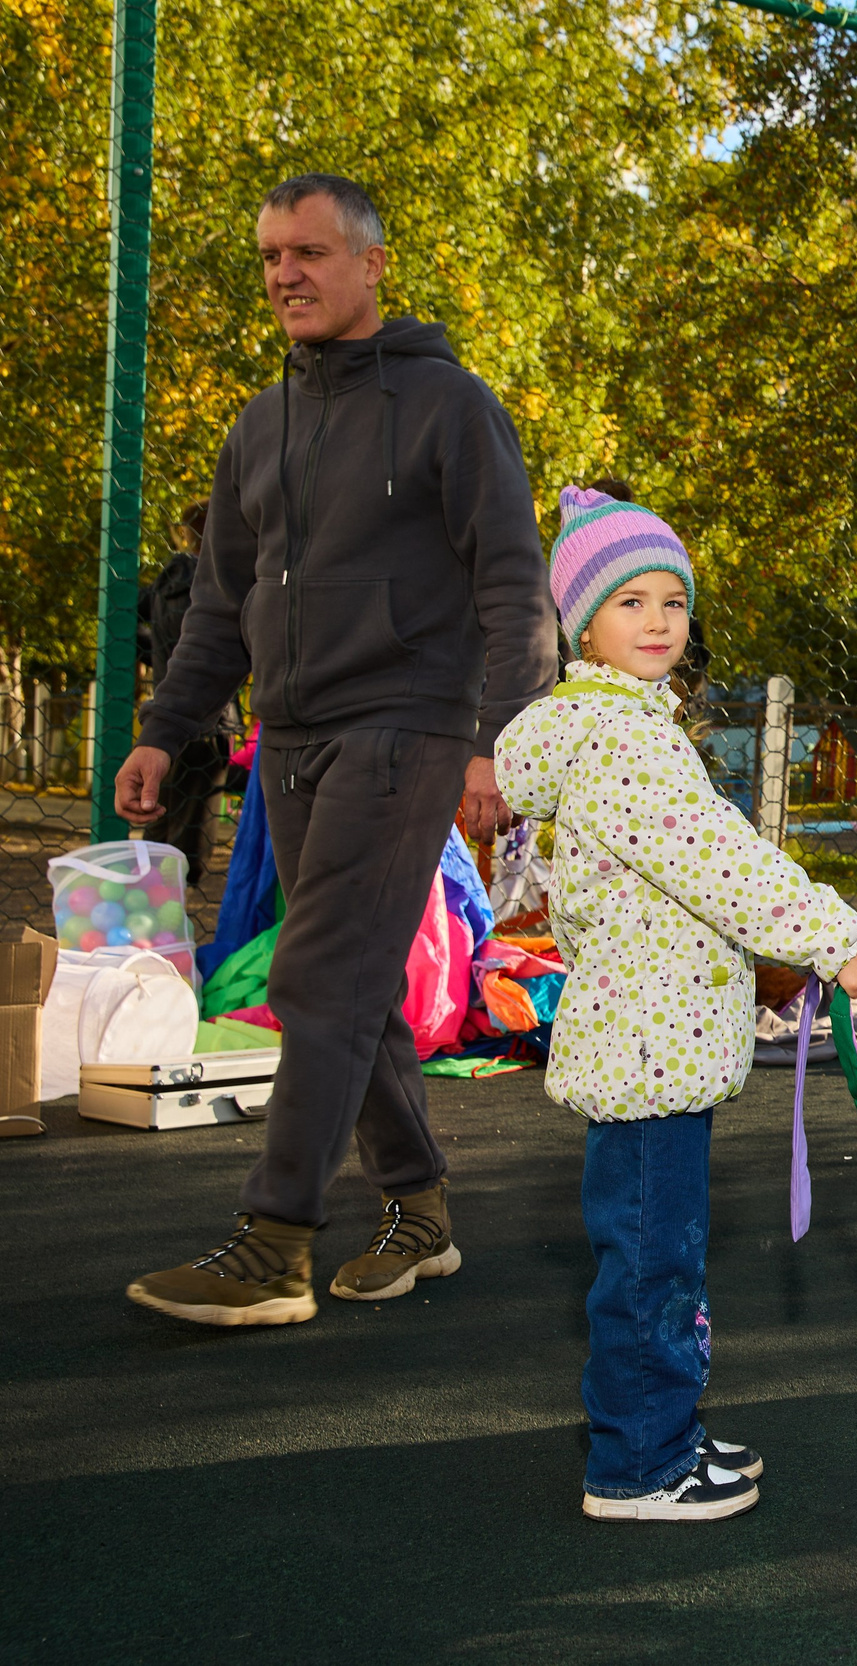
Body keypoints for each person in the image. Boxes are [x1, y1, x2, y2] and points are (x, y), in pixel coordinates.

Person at [118, 173, 555, 1326]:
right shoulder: (260, 425)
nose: (285, 273)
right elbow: (219, 603)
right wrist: (170, 732)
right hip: (295, 739)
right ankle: (419, 1209)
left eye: (310, 252)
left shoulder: (449, 405)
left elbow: (516, 586)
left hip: (410, 730)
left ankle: (274, 1240)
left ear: (371, 265)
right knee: (349, 984)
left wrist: (497, 745)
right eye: (270, 255)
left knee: (318, 972)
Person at [496, 486, 857, 1522]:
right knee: (649, 1261)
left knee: (661, 1255)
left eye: (673, 599)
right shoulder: (619, 741)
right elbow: (714, 860)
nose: (661, 620)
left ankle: (656, 1425)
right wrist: (834, 937)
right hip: (645, 1054)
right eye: (632, 601)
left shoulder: (621, 724)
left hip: (656, 1045)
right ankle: (637, 1465)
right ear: (582, 623)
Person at [135, 499, 230, 894]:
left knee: (159, 828)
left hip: (165, 722)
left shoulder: (160, 587)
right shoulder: (220, 585)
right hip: (210, 726)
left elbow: (131, 636)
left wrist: (151, 658)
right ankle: (170, 933)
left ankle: (144, 922)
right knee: (188, 845)